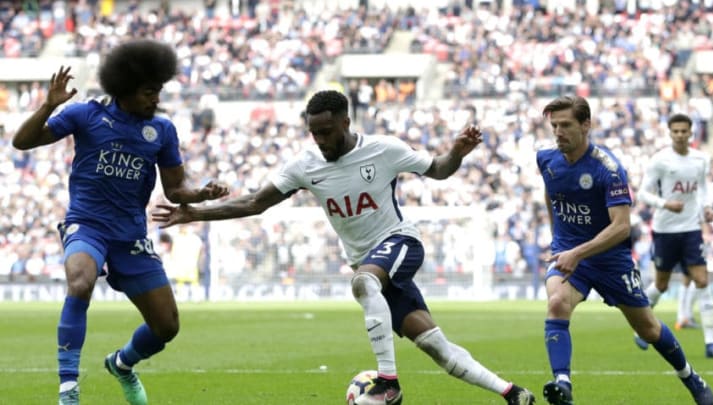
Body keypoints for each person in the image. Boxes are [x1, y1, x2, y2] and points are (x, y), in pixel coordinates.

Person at [152, 89, 536, 405]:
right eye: (314, 133)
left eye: (326, 131)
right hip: (368, 264)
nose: (320, 141)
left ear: (346, 123)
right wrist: (195, 214)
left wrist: (457, 152)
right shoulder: (305, 164)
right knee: (434, 345)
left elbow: (438, 169)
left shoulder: (382, 149)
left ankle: (388, 384)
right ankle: (512, 393)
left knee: (364, 282)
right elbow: (255, 202)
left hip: (400, 242)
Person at [11, 39, 229, 405]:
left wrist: (202, 194)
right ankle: (69, 391)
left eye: (158, 91)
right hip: (88, 224)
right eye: (148, 92)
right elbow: (22, 142)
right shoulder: (85, 115)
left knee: (166, 326)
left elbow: (175, 190)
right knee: (80, 282)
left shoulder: (162, 131)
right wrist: (48, 105)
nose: (155, 99)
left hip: (130, 235)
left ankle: (122, 364)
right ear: (124, 89)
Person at [537, 96, 713, 405]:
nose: (558, 132)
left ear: (586, 125)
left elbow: (621, 227)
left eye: (566, 125)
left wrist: (577, 252)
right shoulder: (545, 159)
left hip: (610, 259)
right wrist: (559, 242)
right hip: (569, 253)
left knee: (648, 328)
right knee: (556, 303)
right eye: (554, 126)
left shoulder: (609, 169)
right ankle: (562, 383)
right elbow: (551, 194)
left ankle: (690, 376)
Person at [633, 113, 713, 357]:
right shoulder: (660, 160)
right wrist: (665, 204)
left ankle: (711, 343)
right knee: (660, 284)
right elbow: (643, 194)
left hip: (691, 228)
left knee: (702, 280)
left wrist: (707, 209)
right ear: (670, 133)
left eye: (684, 131)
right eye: (676, 131)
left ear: (691, 132)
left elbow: (701, 188)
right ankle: (641, 330)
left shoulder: (700, 159)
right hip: (665, 230)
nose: (680, 135)